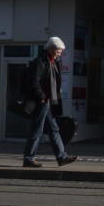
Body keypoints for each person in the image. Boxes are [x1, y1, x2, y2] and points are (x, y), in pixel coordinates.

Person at [22, 36, 78, 168]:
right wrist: (42, 96)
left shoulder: (54, 61)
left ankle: (62, 157)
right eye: (58, 50)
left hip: (49, 101)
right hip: (41, 101)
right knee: (36, 130)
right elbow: (34, 82)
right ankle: (28, 158)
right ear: (51, 49)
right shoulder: (40, 62)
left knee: (54, 129)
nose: (60, 53)